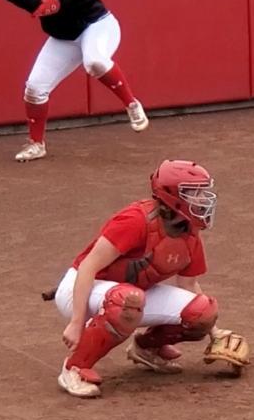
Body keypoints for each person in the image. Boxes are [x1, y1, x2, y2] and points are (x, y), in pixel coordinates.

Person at [44, 160, 220, 398]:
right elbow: (88, 267)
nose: (202, 200)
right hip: (80, 289)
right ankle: (73, 368)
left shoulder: (188, 231)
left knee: (203, 312)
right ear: (172, 196)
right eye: (194, 193)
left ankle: (147, 349)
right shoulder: (136, 220)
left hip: (131, 294)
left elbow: (188, 285)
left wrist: (215, 332)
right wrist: (76, 323)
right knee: (128, 299)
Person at [0, 0, 147, 163]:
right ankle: (36, 144)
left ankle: (131, 103)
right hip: (64, 38)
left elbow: (43, 7)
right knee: (34, 89)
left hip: (96, 26)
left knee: (95, 61)